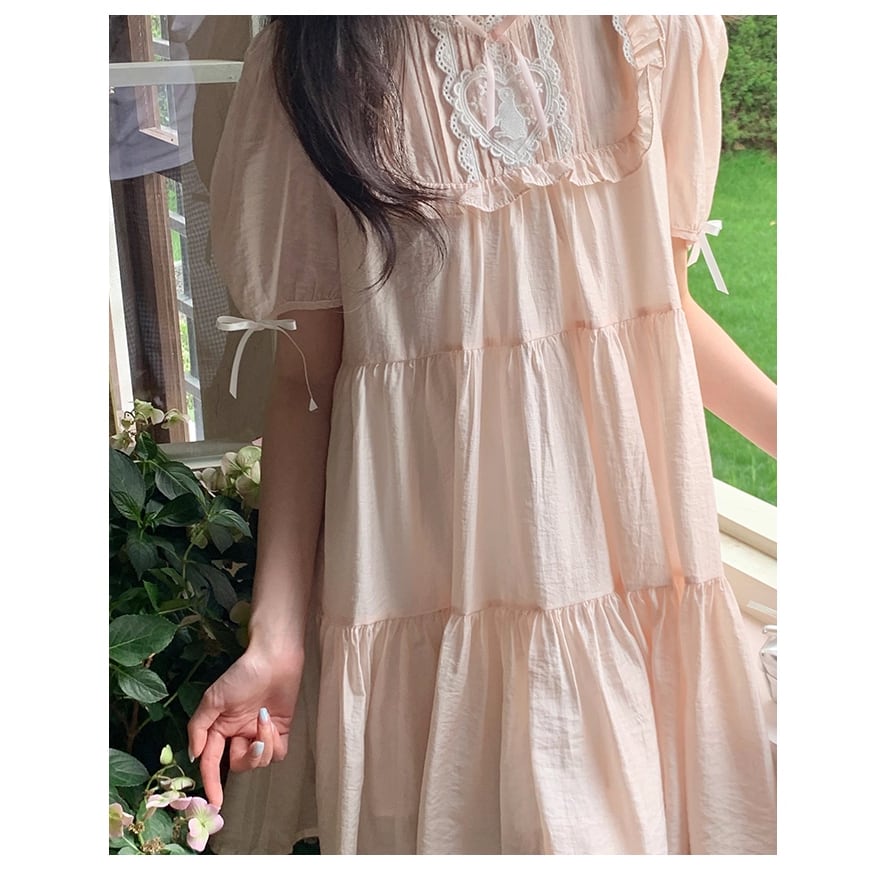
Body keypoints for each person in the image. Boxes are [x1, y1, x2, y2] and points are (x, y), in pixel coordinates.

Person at [188, 15, 777, 854]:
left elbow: (659, 311)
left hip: (627, 574)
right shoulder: (311, 59)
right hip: (429, 593)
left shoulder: (654, 32)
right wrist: (276, 638)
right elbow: (304, 383)